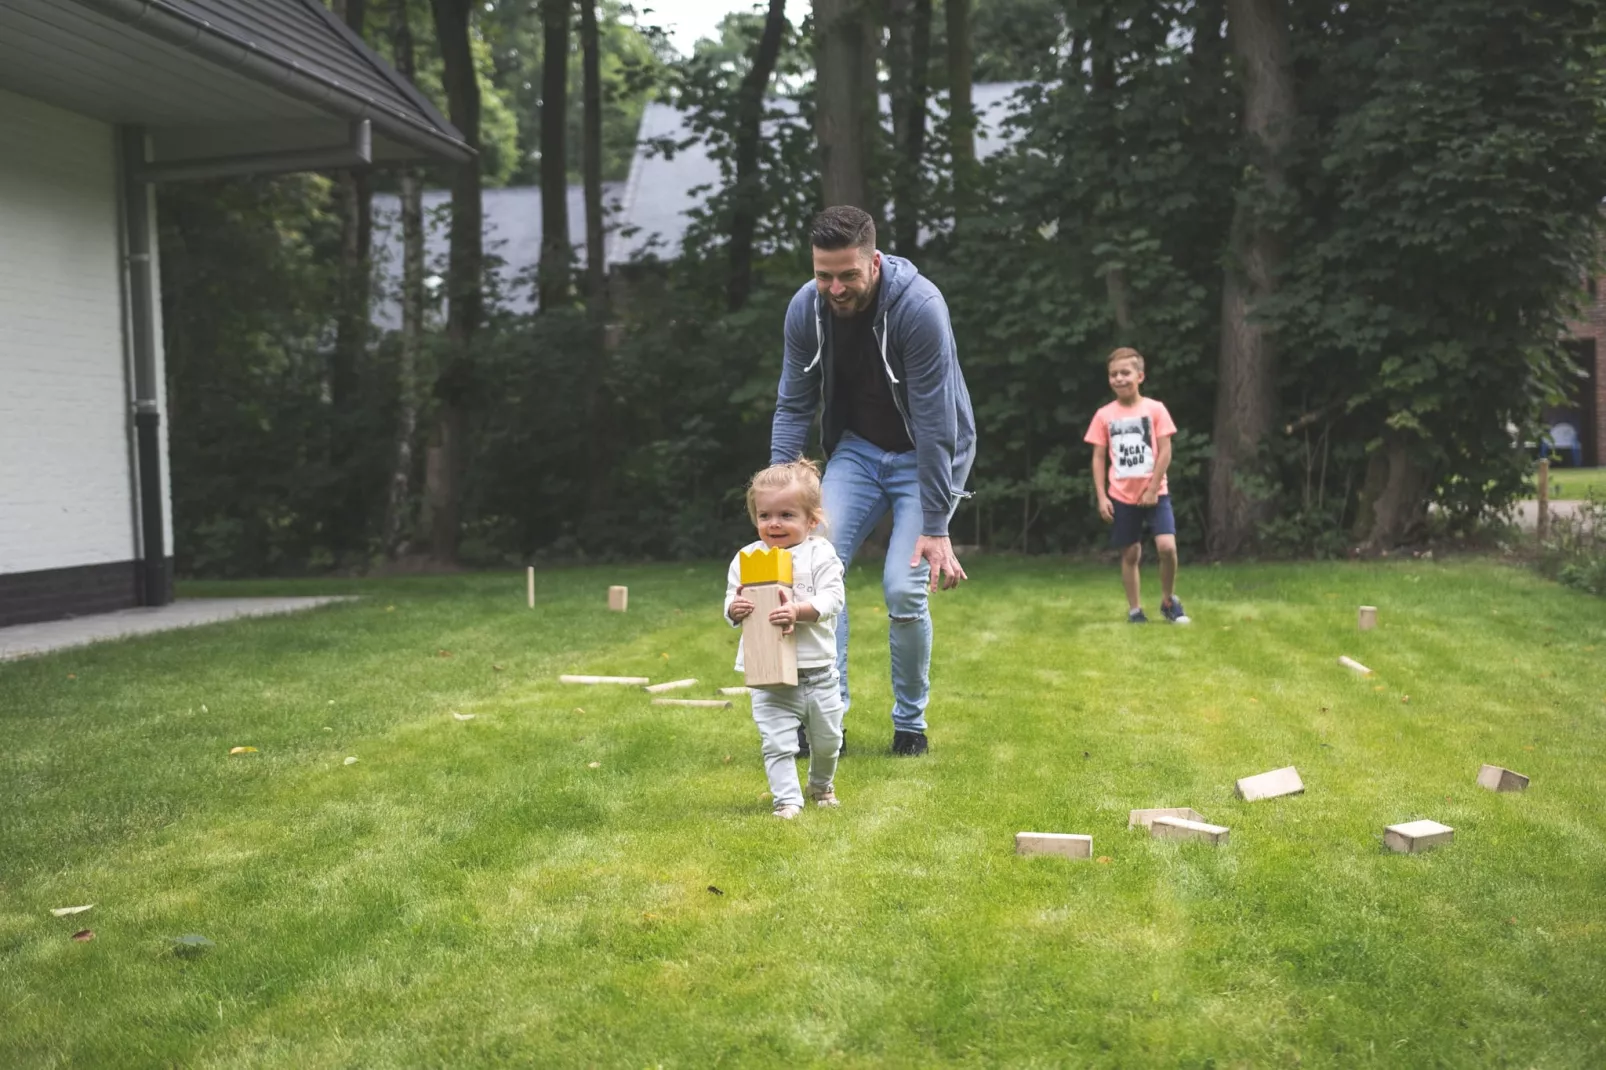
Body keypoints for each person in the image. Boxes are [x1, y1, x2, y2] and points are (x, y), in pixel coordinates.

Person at [771, 206, 976, 758]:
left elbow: (938, 426)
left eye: (848, 275)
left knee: (901, 587)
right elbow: (793, 403)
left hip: (922, 457)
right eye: (823, 275)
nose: (835, 288)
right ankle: (824, 720)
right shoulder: (805, 309)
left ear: (875, 261)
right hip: (858, 453)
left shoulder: (920, 309)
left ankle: (910, 723)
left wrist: (936, 524)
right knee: (815, 571)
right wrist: (778, 493)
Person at [724, 460, 848, 819]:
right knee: (777, 743)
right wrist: (735, 609)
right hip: (768, 675)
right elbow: (731, 599)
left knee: (828, 742)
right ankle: (787, 801)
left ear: (811, 520)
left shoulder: (820, 553)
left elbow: (832, 599)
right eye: (765, 515)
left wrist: (798, 610)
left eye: (786, 515)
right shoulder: (747, 557)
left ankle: (821, 785)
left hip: (818, 673)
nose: (774, 523)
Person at [1084, 347, 1191, 624]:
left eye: (1125, 373)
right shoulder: (1104, 415)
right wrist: (1101, 496)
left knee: (1167, 547)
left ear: (1140, 376)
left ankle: (1169, 601)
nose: (1119, 379)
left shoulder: (1155, 410)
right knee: (1131, 552)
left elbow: (1165, 451)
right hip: (1121, 495)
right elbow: (1098, 458)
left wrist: (1153, 487)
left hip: (1156, 493)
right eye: (1113, 374)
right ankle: (1135, 610)